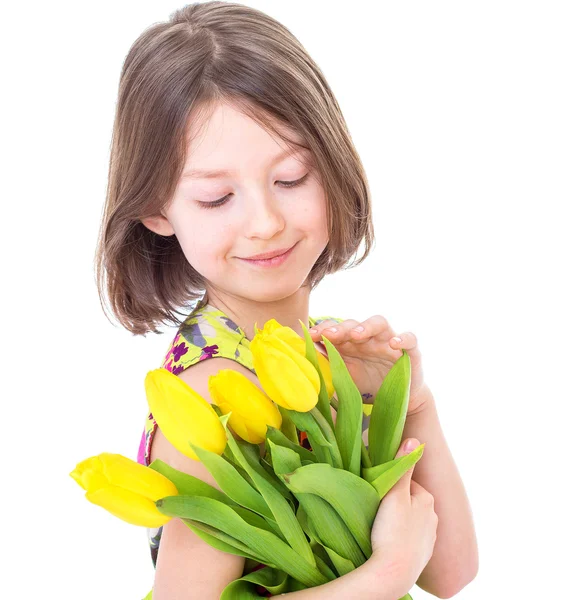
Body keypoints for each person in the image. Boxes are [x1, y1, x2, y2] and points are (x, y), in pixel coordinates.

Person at [95, 2, 477, 598]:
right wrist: (386, 576)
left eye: (293, 178)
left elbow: (451, 573)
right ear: (155, 209)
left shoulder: (328, 351)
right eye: (218, 197)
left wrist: (413, 405)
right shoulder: (212, 387)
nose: (265, 223)